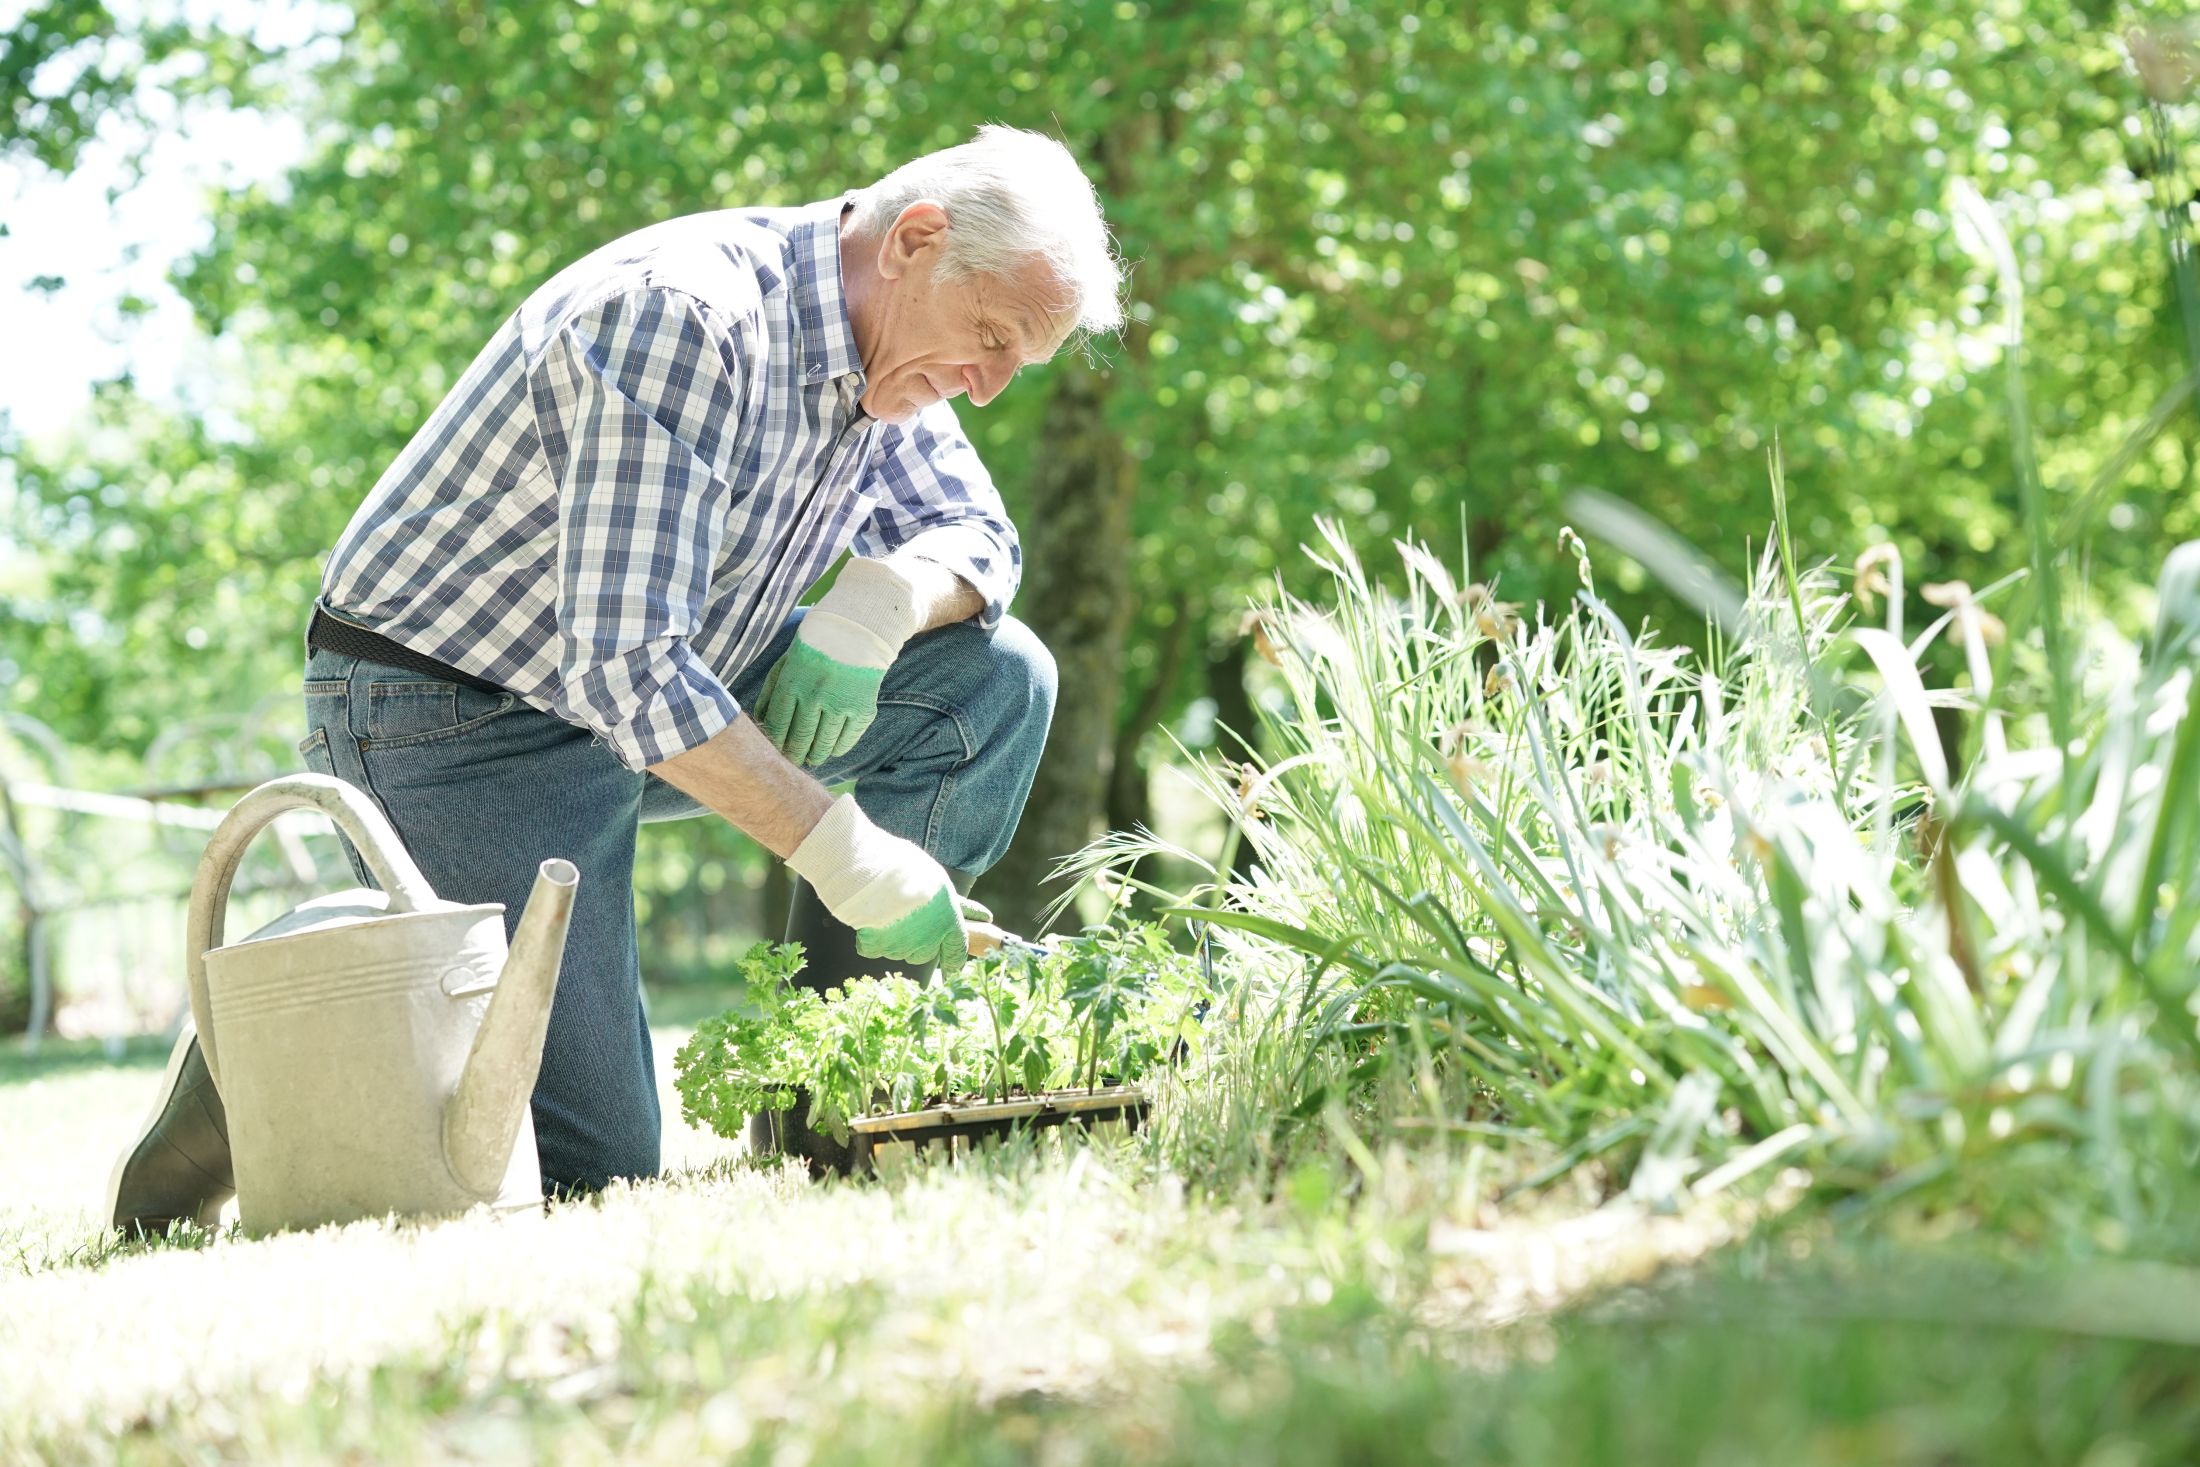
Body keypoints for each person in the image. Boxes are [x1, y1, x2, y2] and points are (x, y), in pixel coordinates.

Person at [106, 125, 1125, 1228]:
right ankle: (282, 1019)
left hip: (651, 681)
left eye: (1015, 363)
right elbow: (627, 667)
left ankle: (827, 1101)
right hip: (453, 712)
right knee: (596, 1169)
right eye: (991, 339)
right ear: (913, 242)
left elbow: (978, 534)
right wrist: (851, 857)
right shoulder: (687, 317)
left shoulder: (891, 359)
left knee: (993, 678)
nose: (986, 390)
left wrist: (884, 602)